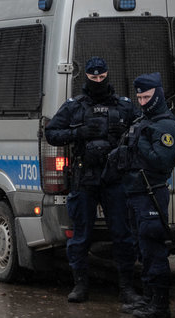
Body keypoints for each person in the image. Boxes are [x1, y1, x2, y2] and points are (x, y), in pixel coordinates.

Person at [45, 57, 140, 304]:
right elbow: (51, 133)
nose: (98, 81)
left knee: (122, 234)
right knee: (81, 235)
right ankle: (80, 286)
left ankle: (127, 288)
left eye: (101, 77)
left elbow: (143, 129)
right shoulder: (75, 106)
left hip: (115, 177)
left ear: (108, 75)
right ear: (86, 77)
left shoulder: (124, 106)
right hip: (85, 176)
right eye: (93, 77)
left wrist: (127, 138)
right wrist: (78, 133)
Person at [107, 72, 175, 318]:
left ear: (158, 95)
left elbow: (161, 161)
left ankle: (160, 305)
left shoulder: (165, 125)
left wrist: (138, 142)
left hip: (151, 192)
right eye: (139, 97)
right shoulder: (143, 121)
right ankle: (149, 299)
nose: (142, 101)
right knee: (142, 249)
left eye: (147, 97)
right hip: (134, 192)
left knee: (153, 249)